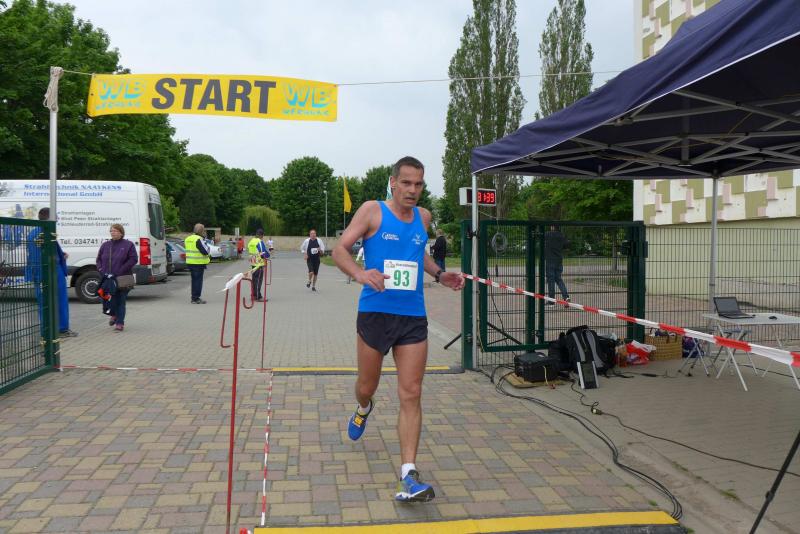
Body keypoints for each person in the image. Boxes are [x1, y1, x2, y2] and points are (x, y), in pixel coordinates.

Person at [332, 156, 465, 503]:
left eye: (418, 184)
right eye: (406, 183)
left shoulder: (424, 218)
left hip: (412, 316)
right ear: (393, 183)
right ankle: (364, 408)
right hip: (375, 313)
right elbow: (339, 250)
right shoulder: (372, 211)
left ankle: (409, 474)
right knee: (366, 386)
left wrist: (440, 275)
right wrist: (360, 274)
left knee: (412, 392)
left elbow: (419, 254)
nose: (412, 190)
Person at [26, 208, 77, 338]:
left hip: (41, 272)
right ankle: (61, 329)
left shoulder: (34, 232)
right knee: (59, 300)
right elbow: (42, 256)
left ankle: (47, 330)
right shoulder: (45, 232)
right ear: (49, 218)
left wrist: (60, 255)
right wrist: (56, 260)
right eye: (55, 217)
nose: (57, 219)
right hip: (51, 272)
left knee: (44, 303)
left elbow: (42, 253)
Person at [96, 224, 138, 331]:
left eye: (115, 231)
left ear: (121, 232)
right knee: (105, 298)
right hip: (107, 278)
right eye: (111, 231)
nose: (113, 232)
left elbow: (133, 259)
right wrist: (101, 269)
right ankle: (113, 314)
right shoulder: (105, 245)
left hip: (122, 278)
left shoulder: (128, 245)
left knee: (120, 300)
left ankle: (120, 323)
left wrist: (120, 270)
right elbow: (99, 259)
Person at [185, 223, 210, 304]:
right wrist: (206, 243)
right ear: (201, 231)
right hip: (198, 263)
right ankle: (196, 298)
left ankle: (194, 297)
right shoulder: (199, 239)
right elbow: (205, 251)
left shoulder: (188, 238)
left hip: (190, 262)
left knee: (194, 280)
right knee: (198, 281)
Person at [544, 225, 570, 305]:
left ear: (552, 227)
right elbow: (567, 245)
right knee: (559, 279)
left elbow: (540, 239)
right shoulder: (561, 235)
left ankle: (551, 300)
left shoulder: (548, 234)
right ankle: (566, 297)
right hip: (559, 260)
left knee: (551, 280)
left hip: (550, 260)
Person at [248, 229, 270, 301]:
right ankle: (258, 296)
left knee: (254, 280)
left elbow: (251, 251)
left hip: (253, 263)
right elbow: (263, 253)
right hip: (259, 264)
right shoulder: (259, 242)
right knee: (258, 280)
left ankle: (253, 295)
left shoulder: (251, 241)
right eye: (263, 236)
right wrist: (268, 255)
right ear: (261, 235)